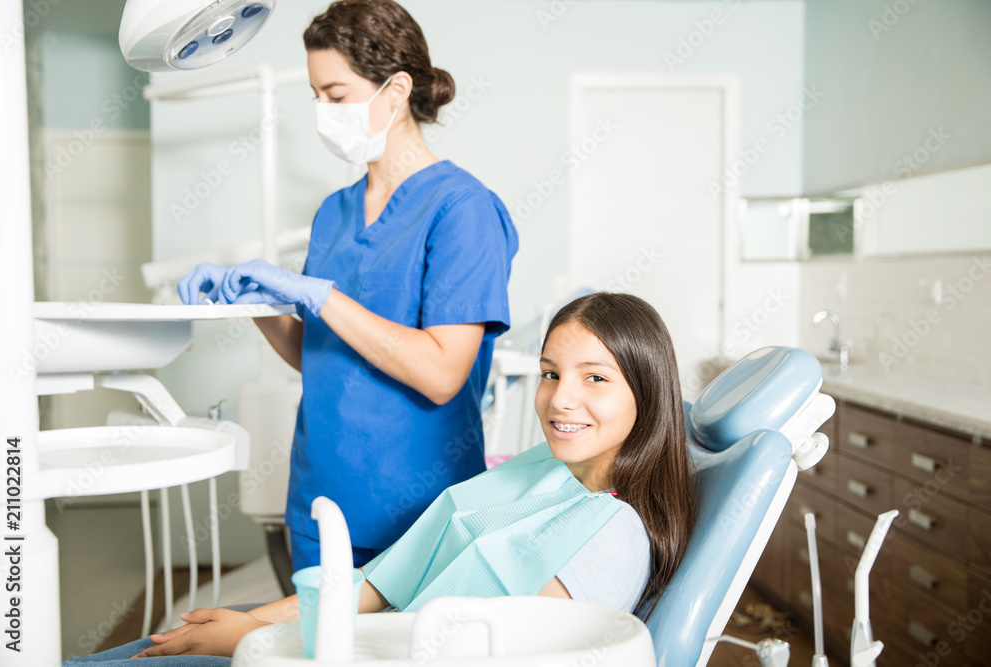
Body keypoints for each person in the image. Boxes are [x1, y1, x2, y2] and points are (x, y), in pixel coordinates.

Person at [65, 292, 697, 664]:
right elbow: (382, 581)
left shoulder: (614, 536)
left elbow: (493, 654)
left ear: (647, 390)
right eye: (551, 373)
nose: (560, 401)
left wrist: (267, 642)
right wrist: (255, 621)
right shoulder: (543, 466)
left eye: (595, 378)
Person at [178, 0, 519, 571]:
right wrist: (258, 304)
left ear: (396, 90)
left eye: (335, 96)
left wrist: (320, 295)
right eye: (315, 96)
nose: (322, 112)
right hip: (318, 503)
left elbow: (440, 374)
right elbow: (318, 356)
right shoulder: (333, 213)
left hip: (417, 514)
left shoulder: (463, 209)